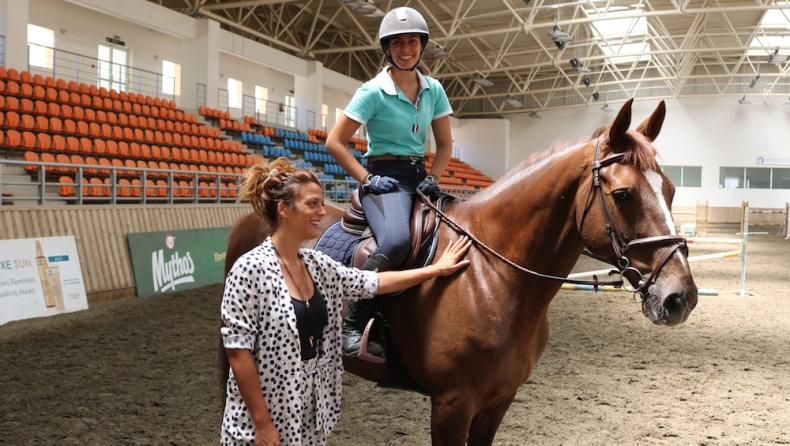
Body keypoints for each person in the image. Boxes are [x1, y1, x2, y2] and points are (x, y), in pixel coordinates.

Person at [220, 157, 470, 446]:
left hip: (307, 418)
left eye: (322, 204)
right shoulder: (249, 269)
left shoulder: (317, 265)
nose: (322, 212)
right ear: (284, 209)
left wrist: (435, 270)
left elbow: (373, 283)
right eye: (312, 204)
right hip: (261, 423)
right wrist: (263, 425)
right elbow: (238, 353)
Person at [325, 6, 454, 357]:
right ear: (387, 48)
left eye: (412, 41)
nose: (405, 48)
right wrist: (367, 179)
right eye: (397, 43)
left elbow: (444, 145)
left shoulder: (434, 90)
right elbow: (335, 142)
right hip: (385, 179)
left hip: (419, 178)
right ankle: (354, 321)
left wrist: (434, 178)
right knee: (396, 240)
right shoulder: (372, 92)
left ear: (422, 45)